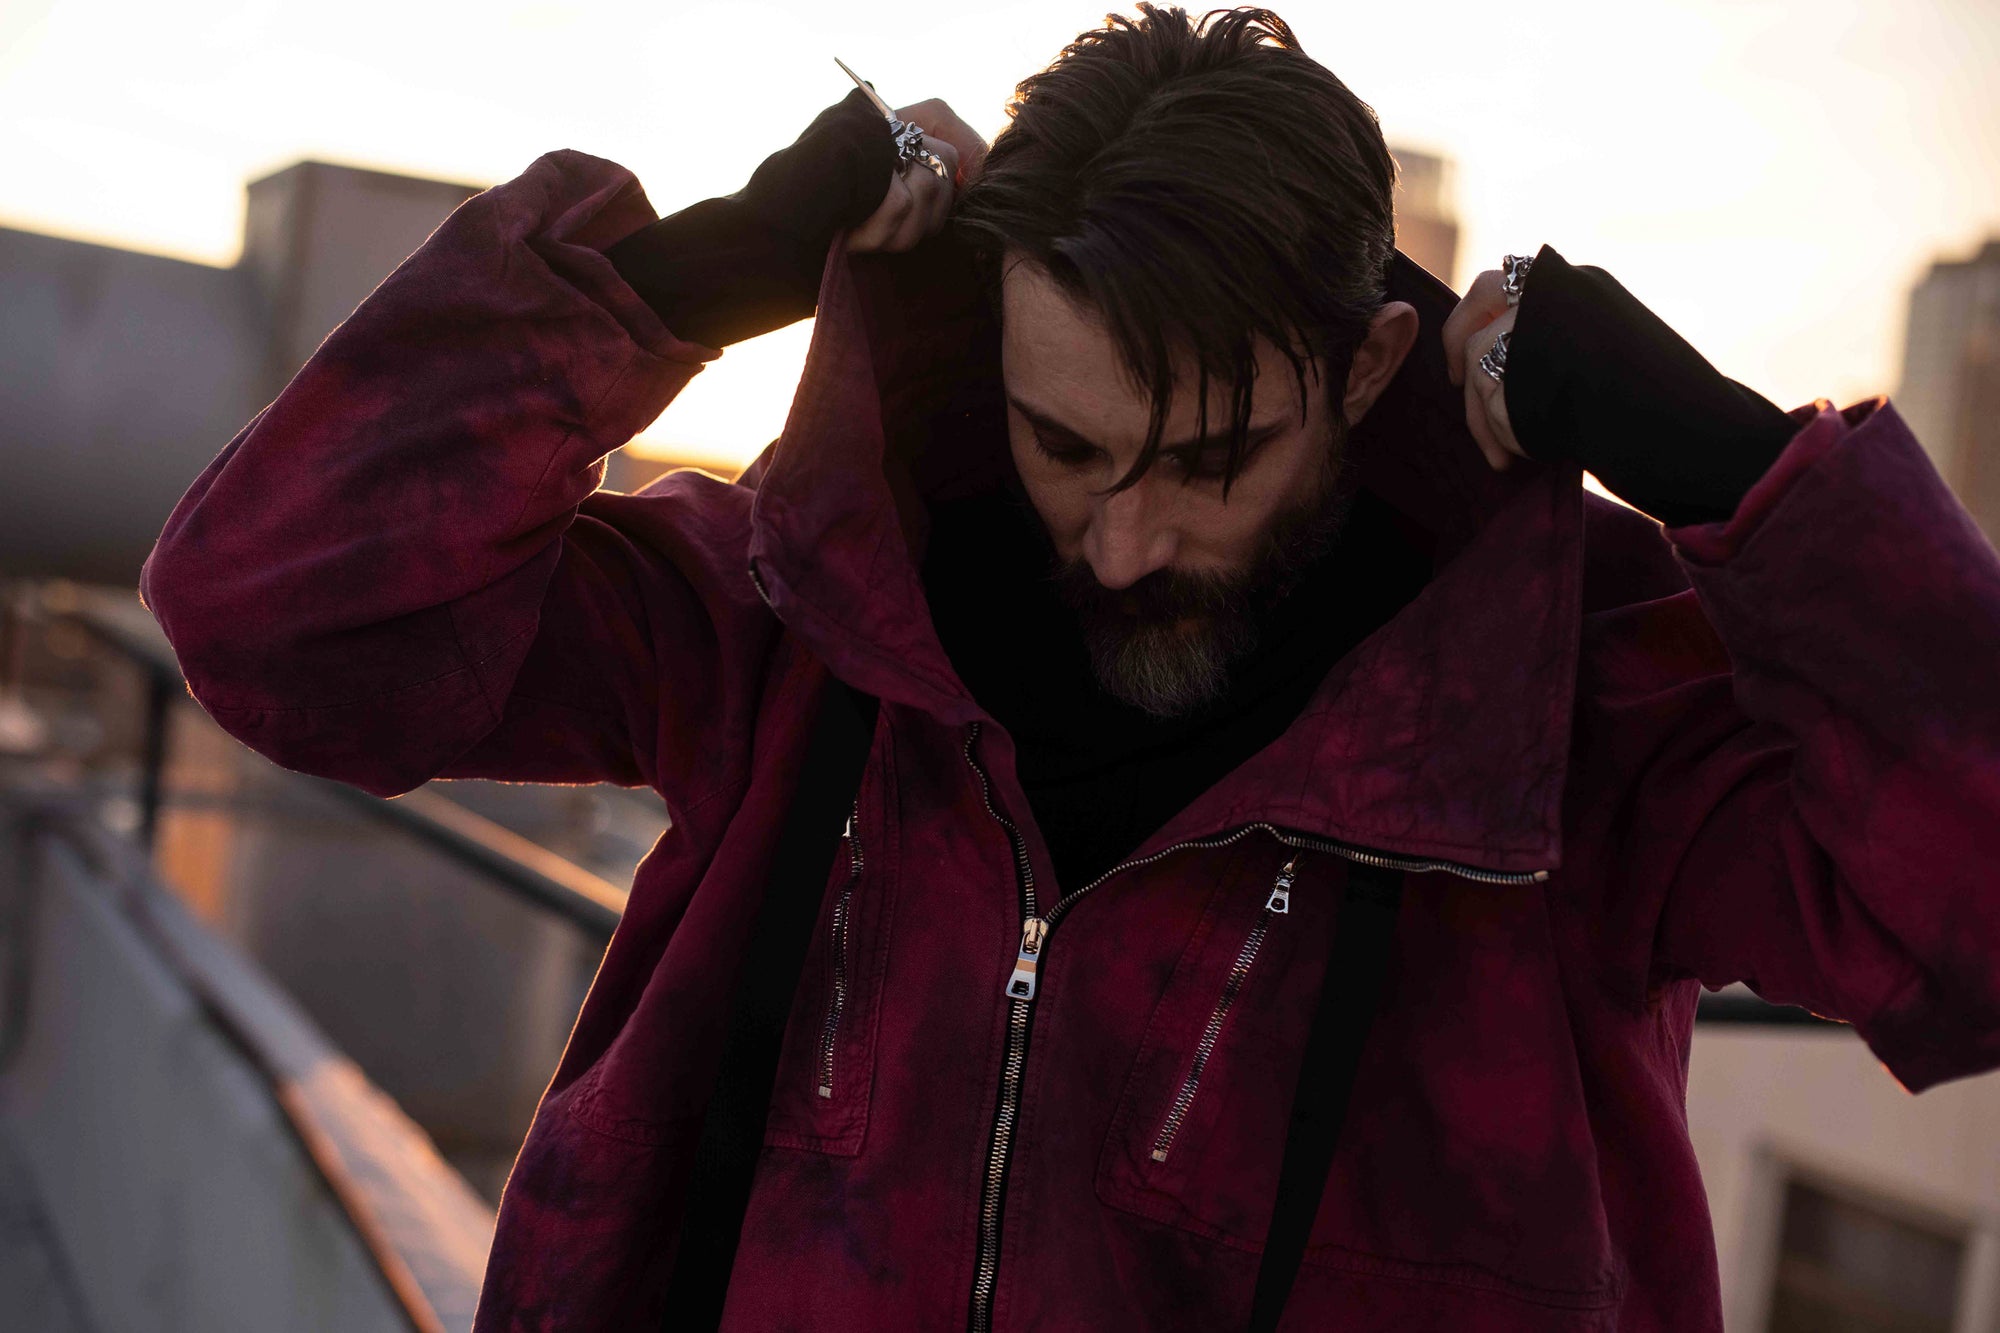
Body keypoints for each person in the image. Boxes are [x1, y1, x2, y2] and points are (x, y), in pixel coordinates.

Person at [139, 5, 2000, 1330]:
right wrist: (698, 275)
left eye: (1210, 462)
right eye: (1066, 444)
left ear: (1364, 371)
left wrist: (1735, 466)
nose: (1120, 544)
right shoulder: (802, 613)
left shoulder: (1566, 712)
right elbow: (273, 616)